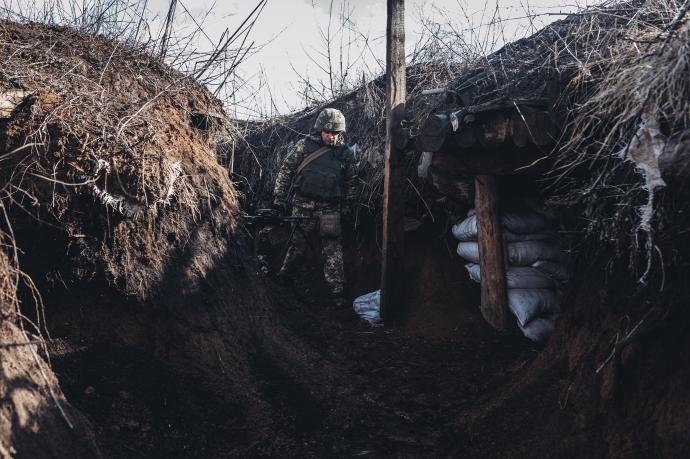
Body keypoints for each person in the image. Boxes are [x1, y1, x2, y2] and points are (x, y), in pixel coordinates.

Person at [273, 108, 357, 304]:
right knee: (297, 244)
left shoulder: (345, 154)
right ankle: (284, 280)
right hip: (303, 204)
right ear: (320, 130)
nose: (331, 137)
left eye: (335, 133)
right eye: (327, 132)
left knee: (332, 247)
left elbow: (352, 181)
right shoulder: (305, 146)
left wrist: (348, 207)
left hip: (330, 207)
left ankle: (337, 292)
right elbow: (286, 170)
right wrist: (278, 199)